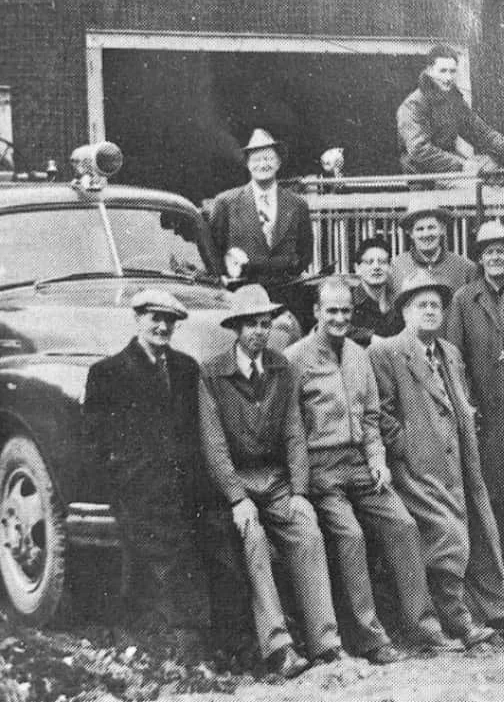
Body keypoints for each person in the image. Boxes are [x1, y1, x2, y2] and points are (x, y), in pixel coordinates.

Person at [286, 277, 459, 660]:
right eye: (331, 311)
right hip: (322, 470)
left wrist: (378, 461)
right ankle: (371, 638)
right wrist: (300, 484)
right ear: (316, 312)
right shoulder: (295, 358)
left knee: (404, 525)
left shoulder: (358, 354)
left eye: (346, 311)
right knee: (350, 536)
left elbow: (370, 415)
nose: (339, 319)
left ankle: (425, 628)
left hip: (362, 464)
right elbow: (292, 427)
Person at [370, 273, 504, 646]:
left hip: (461, 463)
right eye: (421, 305)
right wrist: (409, 446)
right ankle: (457, 619)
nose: (430, 311)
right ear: (405, 311)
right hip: (417, 470)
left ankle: (497, 610)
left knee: (481, 530)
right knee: (447, 535)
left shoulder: (449, 352)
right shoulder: (386, 352)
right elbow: (379, 413)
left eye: (436, 305)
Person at [198, 285, 342, 676]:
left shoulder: (282, 368)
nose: (259, 332)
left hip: (275, 480)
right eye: (251, 325)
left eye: (265, 324)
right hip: (238, 482)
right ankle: (279, 647)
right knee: (254, 537)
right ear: (236, 328)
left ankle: (326, 642)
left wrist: (299, 491)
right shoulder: (212, 373)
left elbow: (294, 432)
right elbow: (214, 445)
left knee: (306, 530)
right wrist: (236, 497)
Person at [82, 290, 217, 650]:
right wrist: (127, 480)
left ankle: (206, 639)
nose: (162, 327)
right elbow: (97, 441)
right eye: (154, 318)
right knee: (160, 562)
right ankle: (179, 642)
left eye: (169, 320)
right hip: (137, 492)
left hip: (183, 489)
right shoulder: (108, 373)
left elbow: (194, 432)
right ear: (137, 319)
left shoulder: (186, 368)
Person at [445, 220, 504, 530]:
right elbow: (453, 356)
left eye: (502, 251)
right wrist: (466, 401)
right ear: (480, 258)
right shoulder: (463, 298)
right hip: (483, 402)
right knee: (488, 478)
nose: (496, 258)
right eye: (489, 252)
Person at [208, 128, 313, 323]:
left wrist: (285, 269)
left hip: (286, 298)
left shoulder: (297, 204)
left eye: (268, 158)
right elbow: (213, 252)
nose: (263, 164)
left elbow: (305, 253)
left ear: (279, 163)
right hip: (242, 298)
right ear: (247, 164)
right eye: (256, 159)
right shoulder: (226, 202)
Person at [396, 44, 504, 174]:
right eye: (443, 71)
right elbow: (419, 150)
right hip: (424, 175)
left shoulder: (454, 101)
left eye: (452, 71)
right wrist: (462, 165)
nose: (448, 78)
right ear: (429, 71)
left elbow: (480, 132)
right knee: (481, 183)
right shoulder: (413, 105)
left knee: (495, 170)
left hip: (452, 168)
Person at [389, 202, 478, 295]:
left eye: (431, 227)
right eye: (420, 229)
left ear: (442, 229)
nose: (426, 234)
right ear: (411, 233)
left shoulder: (463, 267)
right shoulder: (398, 266)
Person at [347, 237, 404, 347]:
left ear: (390, 267)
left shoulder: (399, 303)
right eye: (369, 262)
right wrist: (371, 337)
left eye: (382, 262)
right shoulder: (347, 301)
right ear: (357, 268)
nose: (376, 267)